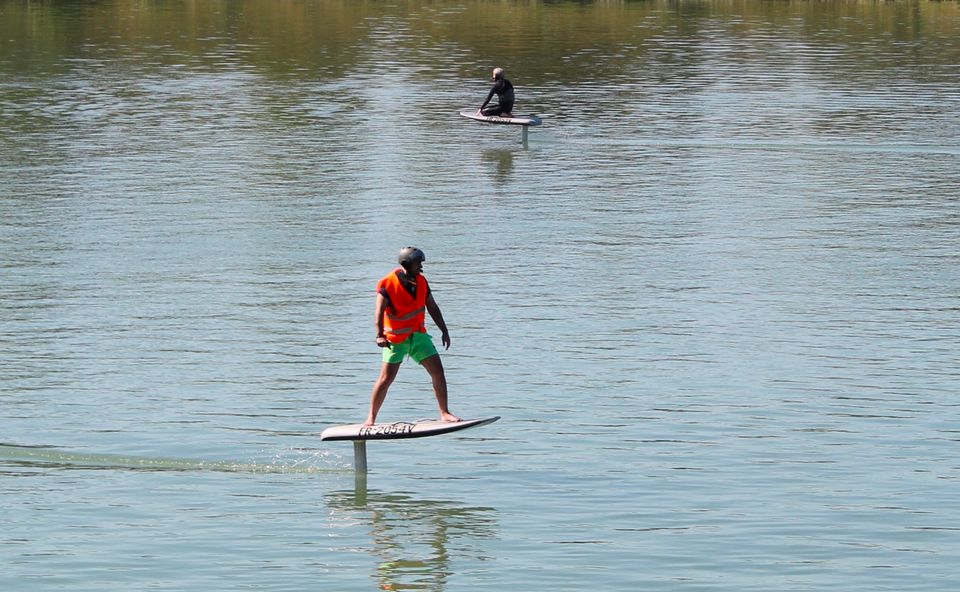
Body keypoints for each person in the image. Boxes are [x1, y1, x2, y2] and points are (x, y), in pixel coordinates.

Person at [365, 247, 461, 426]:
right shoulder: (388, 283)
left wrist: (444, 330)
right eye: (419, 263)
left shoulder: (422, 281)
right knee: (386, 379)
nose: (421, 267)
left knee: (438, 372)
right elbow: (378, 312)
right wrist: (379, 335)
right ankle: (371, 417)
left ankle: (445, 412)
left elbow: (433, 307)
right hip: (394, 340)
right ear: (406, 264)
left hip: (418, 336)